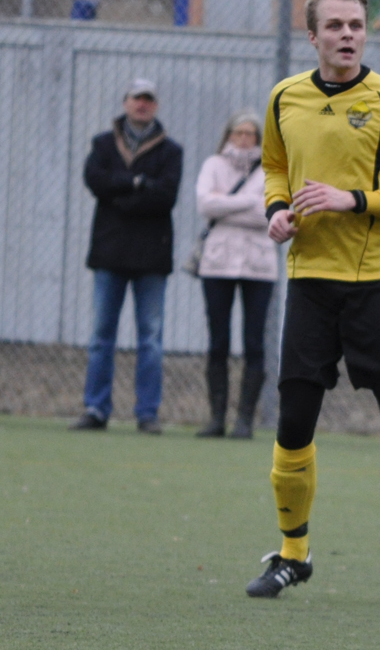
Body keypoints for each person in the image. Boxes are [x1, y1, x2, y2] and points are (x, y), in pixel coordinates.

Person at [245, 0, 380, 608]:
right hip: (310, 281)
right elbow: (275, 167)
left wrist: (350, 199)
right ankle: (293, 553)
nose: (348, 35)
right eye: (335, 25)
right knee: (293, 423)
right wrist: (277, 210)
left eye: (356, 24)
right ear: (313, 36)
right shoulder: (285, 97)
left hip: (379, 281)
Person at [73, 78, 183, 435]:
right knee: (101, 336)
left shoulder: (171, 151)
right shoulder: (103, 144)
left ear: (155, 106)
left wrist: (120, 194)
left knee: (150, 339)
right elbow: (94, 180)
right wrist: (137, 183)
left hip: (152, 256)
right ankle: (96, 408)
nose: (142, 104)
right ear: (126, 103)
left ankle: (147, 413)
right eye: (137, 98)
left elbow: (165, 196)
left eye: (148, 99)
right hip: (109, 252)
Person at [193, 110, 277, 438]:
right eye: (237, 133)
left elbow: (269, 213)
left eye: (249, 134)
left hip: (259, 267)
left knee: (254, 342)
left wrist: (225, 202)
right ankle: (217, 418)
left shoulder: (271, 169)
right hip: (217, 264)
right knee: (218, 341)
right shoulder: (213, 165)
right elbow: (204, 205)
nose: (243, 139)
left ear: (258, 138)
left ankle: (244, 420)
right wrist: (249, 202)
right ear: (228, 135)